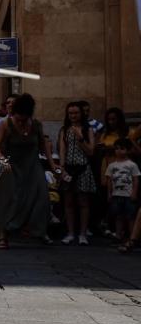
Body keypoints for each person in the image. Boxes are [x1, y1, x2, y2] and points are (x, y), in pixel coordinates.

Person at [0, 94, 58, 249]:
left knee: (42, 197)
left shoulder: (36, 125)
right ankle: (3, 235)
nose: (21, 122)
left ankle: (40, 231)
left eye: (24, 119)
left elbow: (44, 146)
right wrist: (2, 159)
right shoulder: (5, 124)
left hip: (32, 165)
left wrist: (53, 165)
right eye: (18, 118)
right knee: (8, 199)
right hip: (12, 165)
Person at [56, 102, 95, 245]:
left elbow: (91, 151)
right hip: (69, 168)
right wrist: (61, 168)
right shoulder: (64, 130)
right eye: (70, 113)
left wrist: (80, 137)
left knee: (83, 202)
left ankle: (83, 233)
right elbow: (62, 150)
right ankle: (71, 232)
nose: (73, 116)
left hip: (83, 167)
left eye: (76, 113)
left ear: (81, 114)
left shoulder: (87, 129)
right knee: (69, 202)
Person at [104, 139, 139, 245]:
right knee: (118, 216)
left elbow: (136, 180)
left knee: (130, 216)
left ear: (128, 150)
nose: (118, 151)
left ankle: (131, 237)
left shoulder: (132, 165)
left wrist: (134, 193)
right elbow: (109, 180)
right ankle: (118, 235)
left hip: (128, 195)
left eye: (122, 149)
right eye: (117, 149)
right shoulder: (112, 165)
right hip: (116, 194)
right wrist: (109, 193)